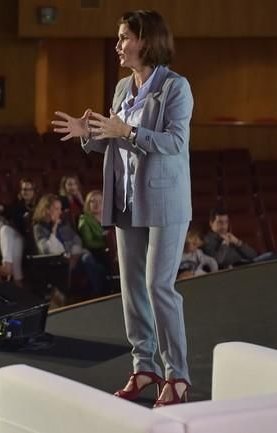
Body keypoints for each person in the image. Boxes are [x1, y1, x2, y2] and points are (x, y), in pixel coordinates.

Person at [51, 10, 193, 406]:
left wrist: (126, 129)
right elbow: (112, 140)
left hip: (164, 201)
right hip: (126, 196)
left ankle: (176, 376)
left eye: (123, 37)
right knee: (132, 289)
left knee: (157, 286)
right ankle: (144, 366)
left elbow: (174, 144)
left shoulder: (176, 88)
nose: (117, 46)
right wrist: (89, 133)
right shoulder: (120, 89)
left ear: (145, 41)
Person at [32, 194, 107, 295]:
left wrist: (72, 252)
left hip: (73, 256)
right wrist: (54, 228)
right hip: (59, 262)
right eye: (56, 209)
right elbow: (46, 249)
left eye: (60, 208)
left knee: (89, 259)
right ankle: (101, 293)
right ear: (47, 210)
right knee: (98, 267)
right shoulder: (39, 228)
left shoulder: (63, 224)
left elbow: (76, 239)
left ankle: (99, 293)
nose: (60, 212)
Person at [78, 190, 114, 274]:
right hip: (96, 252)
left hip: (111, 250)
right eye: (93, 201)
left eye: (100, 201)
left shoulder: (109, 218)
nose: (97, 204)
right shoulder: (84, 220)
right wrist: (107, 243)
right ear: (88, 204)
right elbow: (88, 243)